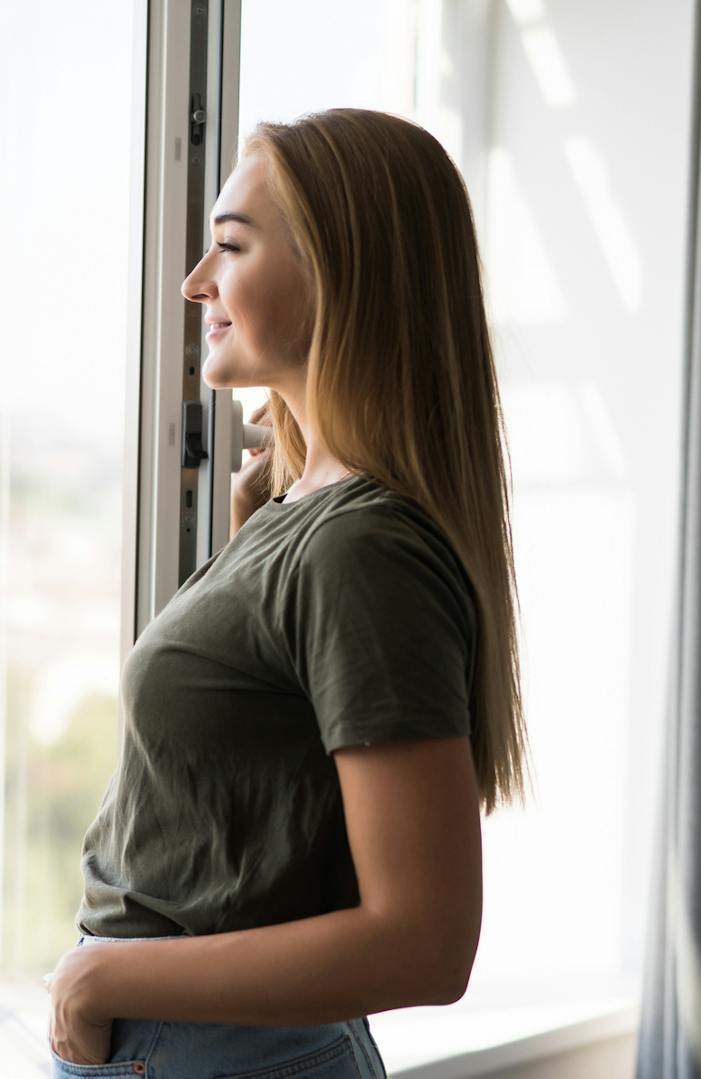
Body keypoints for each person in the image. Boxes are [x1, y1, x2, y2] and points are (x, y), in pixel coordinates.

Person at [41, 108, 534, 1078]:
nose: (195, 284)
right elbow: (258, 779)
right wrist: (255, 518)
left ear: (336, 271)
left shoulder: (362, 548)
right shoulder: (313, 519)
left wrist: (98, 980)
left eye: (229, 246)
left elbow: (426, 942)